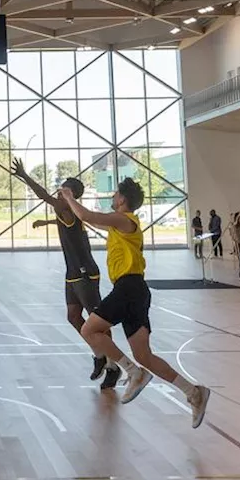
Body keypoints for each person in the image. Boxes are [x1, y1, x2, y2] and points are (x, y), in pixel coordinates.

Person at [60, 179, 210, 428]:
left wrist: (68, 196)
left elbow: (86, 214)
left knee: (89, 330)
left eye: (116, 193)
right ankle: (194, 393)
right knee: (144, 354)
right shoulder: (119, 225)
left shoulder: (124, 218)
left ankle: (132, 371)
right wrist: (74, 208)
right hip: (138, 290)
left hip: (128, 287)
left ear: (122, 200)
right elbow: (88, 219)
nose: (114, 195)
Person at [13, 158, 122, 387]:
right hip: (73, 272)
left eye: (62, 189)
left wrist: (24, 175)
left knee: (97, 322)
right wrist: (46, 222)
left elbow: (43, 195)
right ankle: (99, 354)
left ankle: (113, 366)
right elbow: (62, 219)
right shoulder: (66, 212)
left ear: (69, 193)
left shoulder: (66, 208)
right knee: (73, 317)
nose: (58, 192)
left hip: (84, 273)